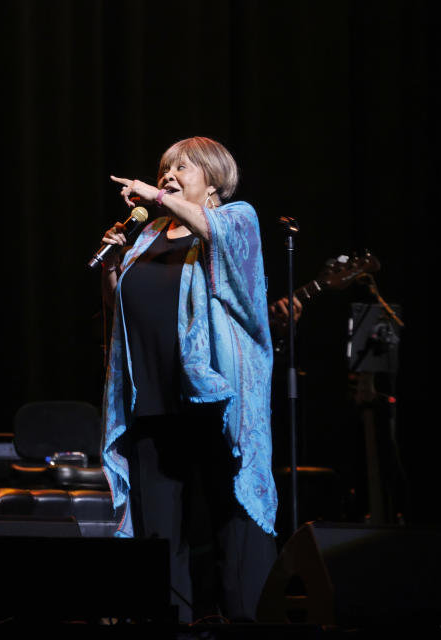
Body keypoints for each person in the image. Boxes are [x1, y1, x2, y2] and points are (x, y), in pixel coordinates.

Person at [99, 137, 277, 622]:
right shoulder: (148, 234)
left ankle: (243, 622)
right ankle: (166, 625)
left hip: (214, 400)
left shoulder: (236, 218)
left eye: (181, 168)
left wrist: (153, 196)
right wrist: (113, 271)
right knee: (158, 536)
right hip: (151, 402)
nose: (168, 176)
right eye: (164, 170)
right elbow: (120, 320)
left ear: (214, 178)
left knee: (229, 522)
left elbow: (215, 236)